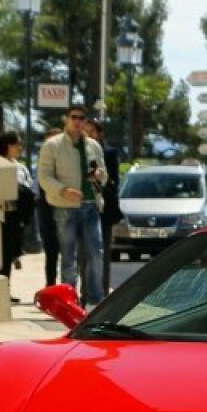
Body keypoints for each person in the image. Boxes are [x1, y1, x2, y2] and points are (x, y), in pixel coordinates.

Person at [37, 105, 107, 306]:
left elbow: (104, 173)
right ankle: (69, 302)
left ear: (86, 122)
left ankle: (94, 300)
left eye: (82, 118)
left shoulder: (93, 146)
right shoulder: (52, 145)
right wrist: (63, 190)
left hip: (91, 205)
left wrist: (99, 175)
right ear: (66, 120)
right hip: (64, 208)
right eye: (74, 117)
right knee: (69, 257)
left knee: (96, 254)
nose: (78, 121)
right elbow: (44, 177)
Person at [0, 130, 35, 303]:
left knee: (9, 254)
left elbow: (28, 188)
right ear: (7, 145)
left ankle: (5, 289)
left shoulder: (20, 167)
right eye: (17, 143)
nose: (20, 147)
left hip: (15, 218)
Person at [85, 119, 121, 299]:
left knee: (101, 253)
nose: (88, 136)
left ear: (99, 134)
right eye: (85, 132)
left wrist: (98, 177)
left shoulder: (109, 153)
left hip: (103, 209)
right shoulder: (77, 152)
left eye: (92, 132)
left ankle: (102, 292)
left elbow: (113, 181)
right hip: (82, 207)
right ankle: (85, 292)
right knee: (83, 254)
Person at [35, 127, 63, 287]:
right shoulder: (42, 162)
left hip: (65, 206)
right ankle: (50, 285)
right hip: (47, 208)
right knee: (51, 250)